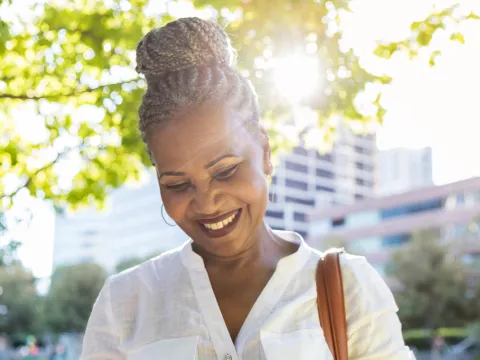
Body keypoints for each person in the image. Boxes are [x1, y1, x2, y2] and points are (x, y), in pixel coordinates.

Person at [81, 17, 413, 360]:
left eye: (225, 171)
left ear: (265, 152)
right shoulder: (123, 302)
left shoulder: (348, 286)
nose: (207, 203)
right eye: (178, 184)